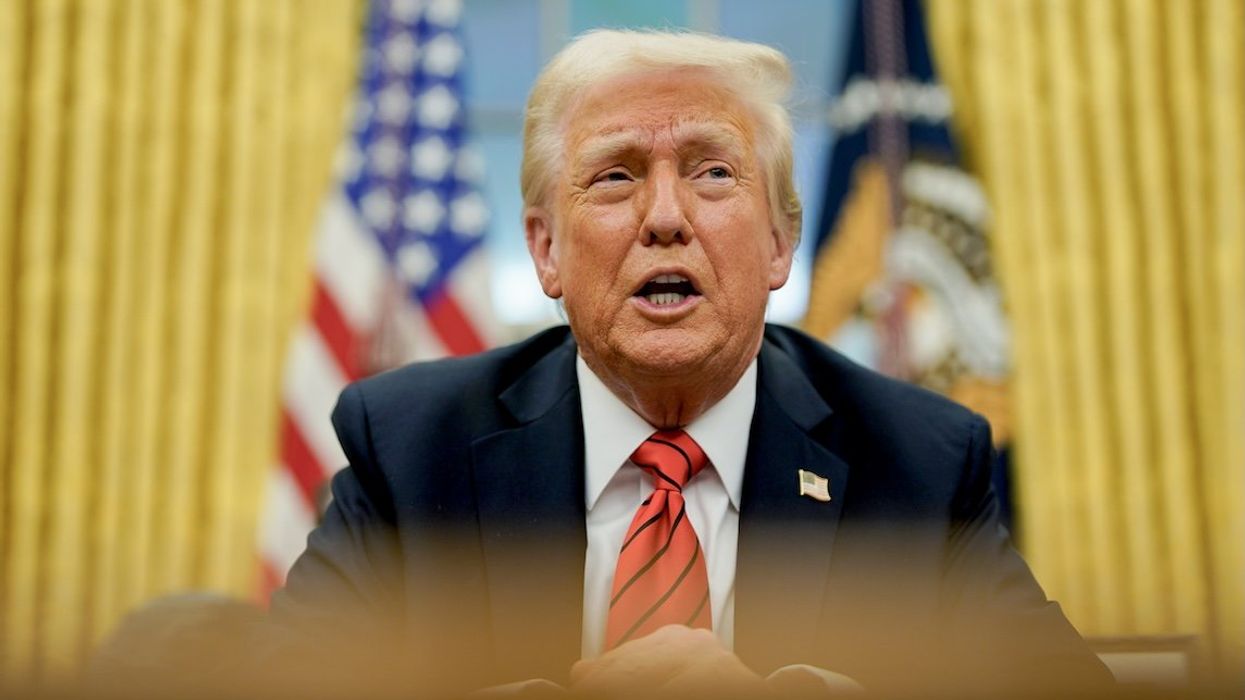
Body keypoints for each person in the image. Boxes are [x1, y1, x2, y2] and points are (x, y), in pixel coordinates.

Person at [270, 29, 1112, 698]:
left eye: (713, 172)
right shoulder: (414, 449)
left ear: (781, 243)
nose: (665, 217)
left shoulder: (917, 460)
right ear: (544, 249)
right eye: (613, 176)